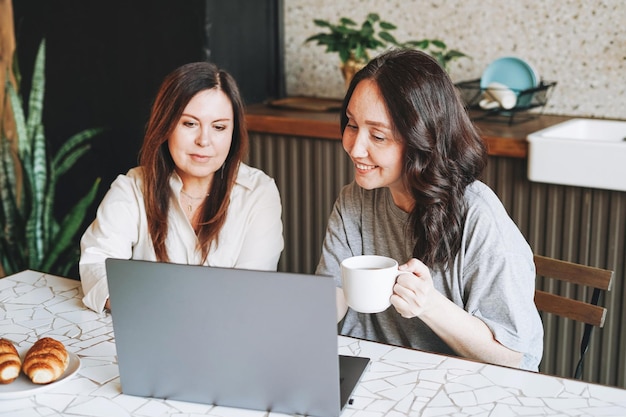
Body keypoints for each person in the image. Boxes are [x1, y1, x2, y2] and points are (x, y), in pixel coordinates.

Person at [316, 49, 543, 371]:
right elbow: (331, 296)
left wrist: (429, 305)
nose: (355, 147)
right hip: (369, 376)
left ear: (423, 139)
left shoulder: (478, 217)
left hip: (452, 387)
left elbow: (519, 359)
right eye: (351, 125)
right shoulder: (354, 200)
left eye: (378, 135)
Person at [79, 62, 284, 312]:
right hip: (148, 329)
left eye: (219, 127)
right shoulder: (132, 188)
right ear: (166, 125)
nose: (204, 140)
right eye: (189, 124)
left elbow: (252, 290)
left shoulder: (258, 192)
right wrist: (141, 307)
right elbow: (97, 264)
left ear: (233, 133)